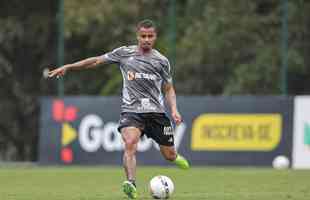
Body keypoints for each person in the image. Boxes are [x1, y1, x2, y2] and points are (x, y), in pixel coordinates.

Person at [48, 19, 189, 199]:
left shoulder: (161, 61)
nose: (146, 39)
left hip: (156, 113)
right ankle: (131, 183)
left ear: (155, 37)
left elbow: (168, 88)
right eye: (143, 36)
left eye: (150, 36)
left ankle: (175, 157)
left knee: (168, 155)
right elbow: (96, 61)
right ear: (137, 36)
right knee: (130, 143)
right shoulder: (124, 53)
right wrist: (69, 66)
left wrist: (174, 110)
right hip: (132, 111)